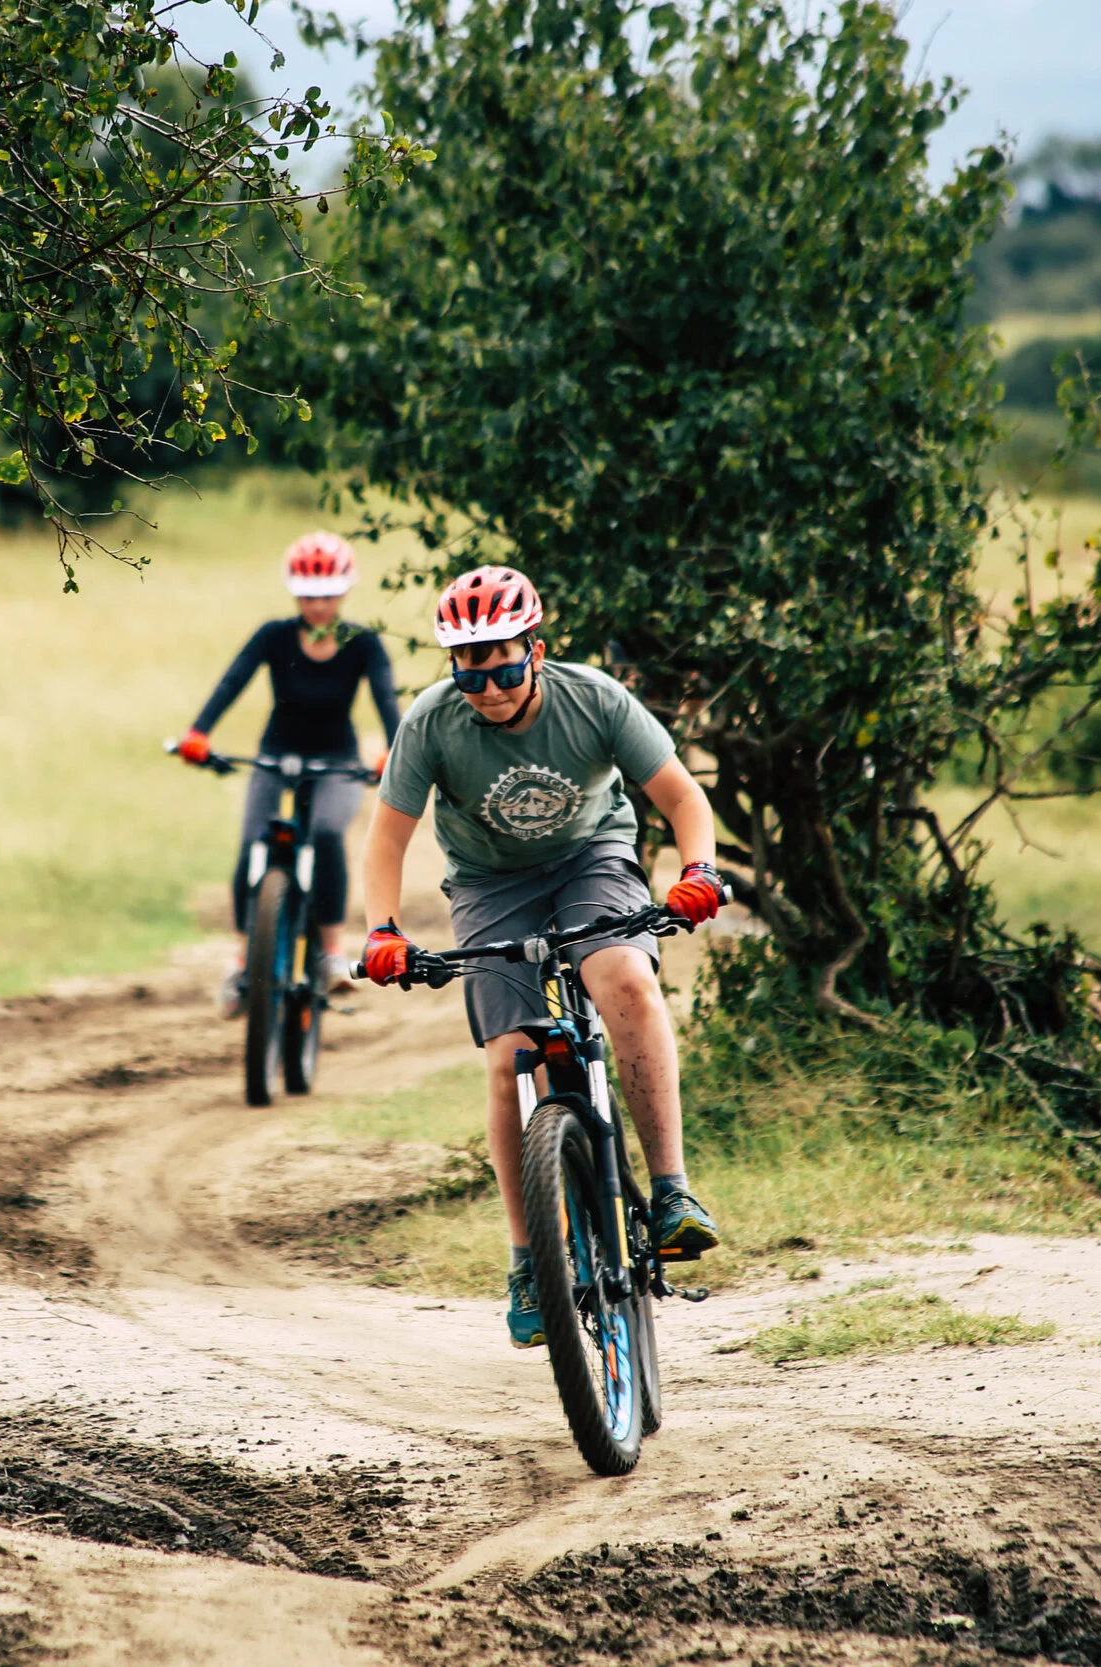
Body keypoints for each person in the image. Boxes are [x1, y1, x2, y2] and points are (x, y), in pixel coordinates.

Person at [355, 566, 727, 1350]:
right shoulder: (431, 723)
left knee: (622, 976)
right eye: (467, 667)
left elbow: (684, 799)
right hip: (491, 883)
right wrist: (382, 931)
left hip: (593, 856)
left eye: (503, 664)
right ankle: (530, 1259)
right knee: (509, 1058)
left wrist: (698, 873)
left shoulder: (594, 698)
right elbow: (387, 837)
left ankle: (670, 1192)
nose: (486, 685)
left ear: (537, 649)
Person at [176, 532, 403, 1016]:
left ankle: (331, 954)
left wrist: (395, 750)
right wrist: (199, 733)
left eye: (326, 595)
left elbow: (386, 699)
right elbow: (233, 680)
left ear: (343, 592)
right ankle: (243, 961)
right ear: (294, 593)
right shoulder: (274, 636)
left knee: (325, 833)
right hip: (275, 754)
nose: (317, 606)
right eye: (307, 595)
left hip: (338, 760)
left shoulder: (362, 643)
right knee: (252, 842)